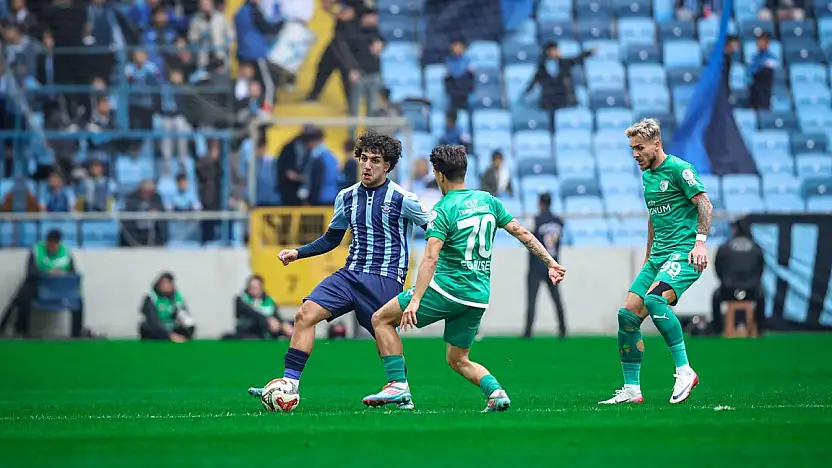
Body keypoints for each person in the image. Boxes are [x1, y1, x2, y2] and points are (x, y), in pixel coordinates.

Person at [361, 145, 566, 412]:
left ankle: (398, 386)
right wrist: (551, 263)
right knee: (458, 359)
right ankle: (496, 393)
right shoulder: (488, 201)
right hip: (476, 297)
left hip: (446, 290)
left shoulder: (443, 209)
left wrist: (416, 299)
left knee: (381, 319)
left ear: (439, 175)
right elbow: (522, 233)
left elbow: (431, 258)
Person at [247, 130, 430, 408]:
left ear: (388, 166)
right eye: (364, 158)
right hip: (349, 274)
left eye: (375, 161)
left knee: (383, 330)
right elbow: (332, 239)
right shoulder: (346, 197)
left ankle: (401, 389)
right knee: (304, 315)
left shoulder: (403, 199)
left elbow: (435, 231)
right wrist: (298, 253)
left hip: (384, 277)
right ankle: (288, 385)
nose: (367, 165)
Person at [598, 118, 713, 405]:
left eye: (639, 148)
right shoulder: (648, 176)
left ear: (656, 144)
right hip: (658, 256)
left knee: (654, 300)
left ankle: (685, 371)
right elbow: (654, 216)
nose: (635, 154)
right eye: (632, 149)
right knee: (627, 316)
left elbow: (704, 203)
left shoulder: (679, 169)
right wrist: (649, 256)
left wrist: (700, 243)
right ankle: (632, 389)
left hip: (683, 252)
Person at [711, 222, 766, 337]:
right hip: (751, 290)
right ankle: (759, 329)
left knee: (716, 297)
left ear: (735, 230)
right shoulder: (756, 247)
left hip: (729, 290)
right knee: (761, 297)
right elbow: (761, 268)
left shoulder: (725, 246)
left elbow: (717, 266)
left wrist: (725, 282)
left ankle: (717, 329)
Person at [524, 193, 566, 338]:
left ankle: (528, 331)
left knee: (532, 300)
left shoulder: (536, 220)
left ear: (540, 203)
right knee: (556, 298)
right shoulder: (558, 221)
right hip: (553, 264)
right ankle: (563, 329)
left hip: (537, 265)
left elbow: (528, 240)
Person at [227, 275, 294, 339]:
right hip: (249, 330)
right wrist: (267, 320)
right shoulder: (241, 299)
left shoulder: (269, 301)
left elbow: (276, 317)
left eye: (257, 287)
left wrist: (283, 324)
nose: (254, 290)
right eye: (252, 287)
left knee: (292, 323)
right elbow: (252, 313)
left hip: (269, 330)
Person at [139, 272, 196, 342]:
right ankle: (168, 337)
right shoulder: (151, 298)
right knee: (146, 327)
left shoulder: (177, 298)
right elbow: (152, 320)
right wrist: (169, 335)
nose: (166, 286)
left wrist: (185, 322)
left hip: (171, 326)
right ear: (158, 285)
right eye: (163, 283)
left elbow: (184, 314)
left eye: (169, 283)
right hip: (157, 327)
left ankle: (180, 338)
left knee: (188, 324)